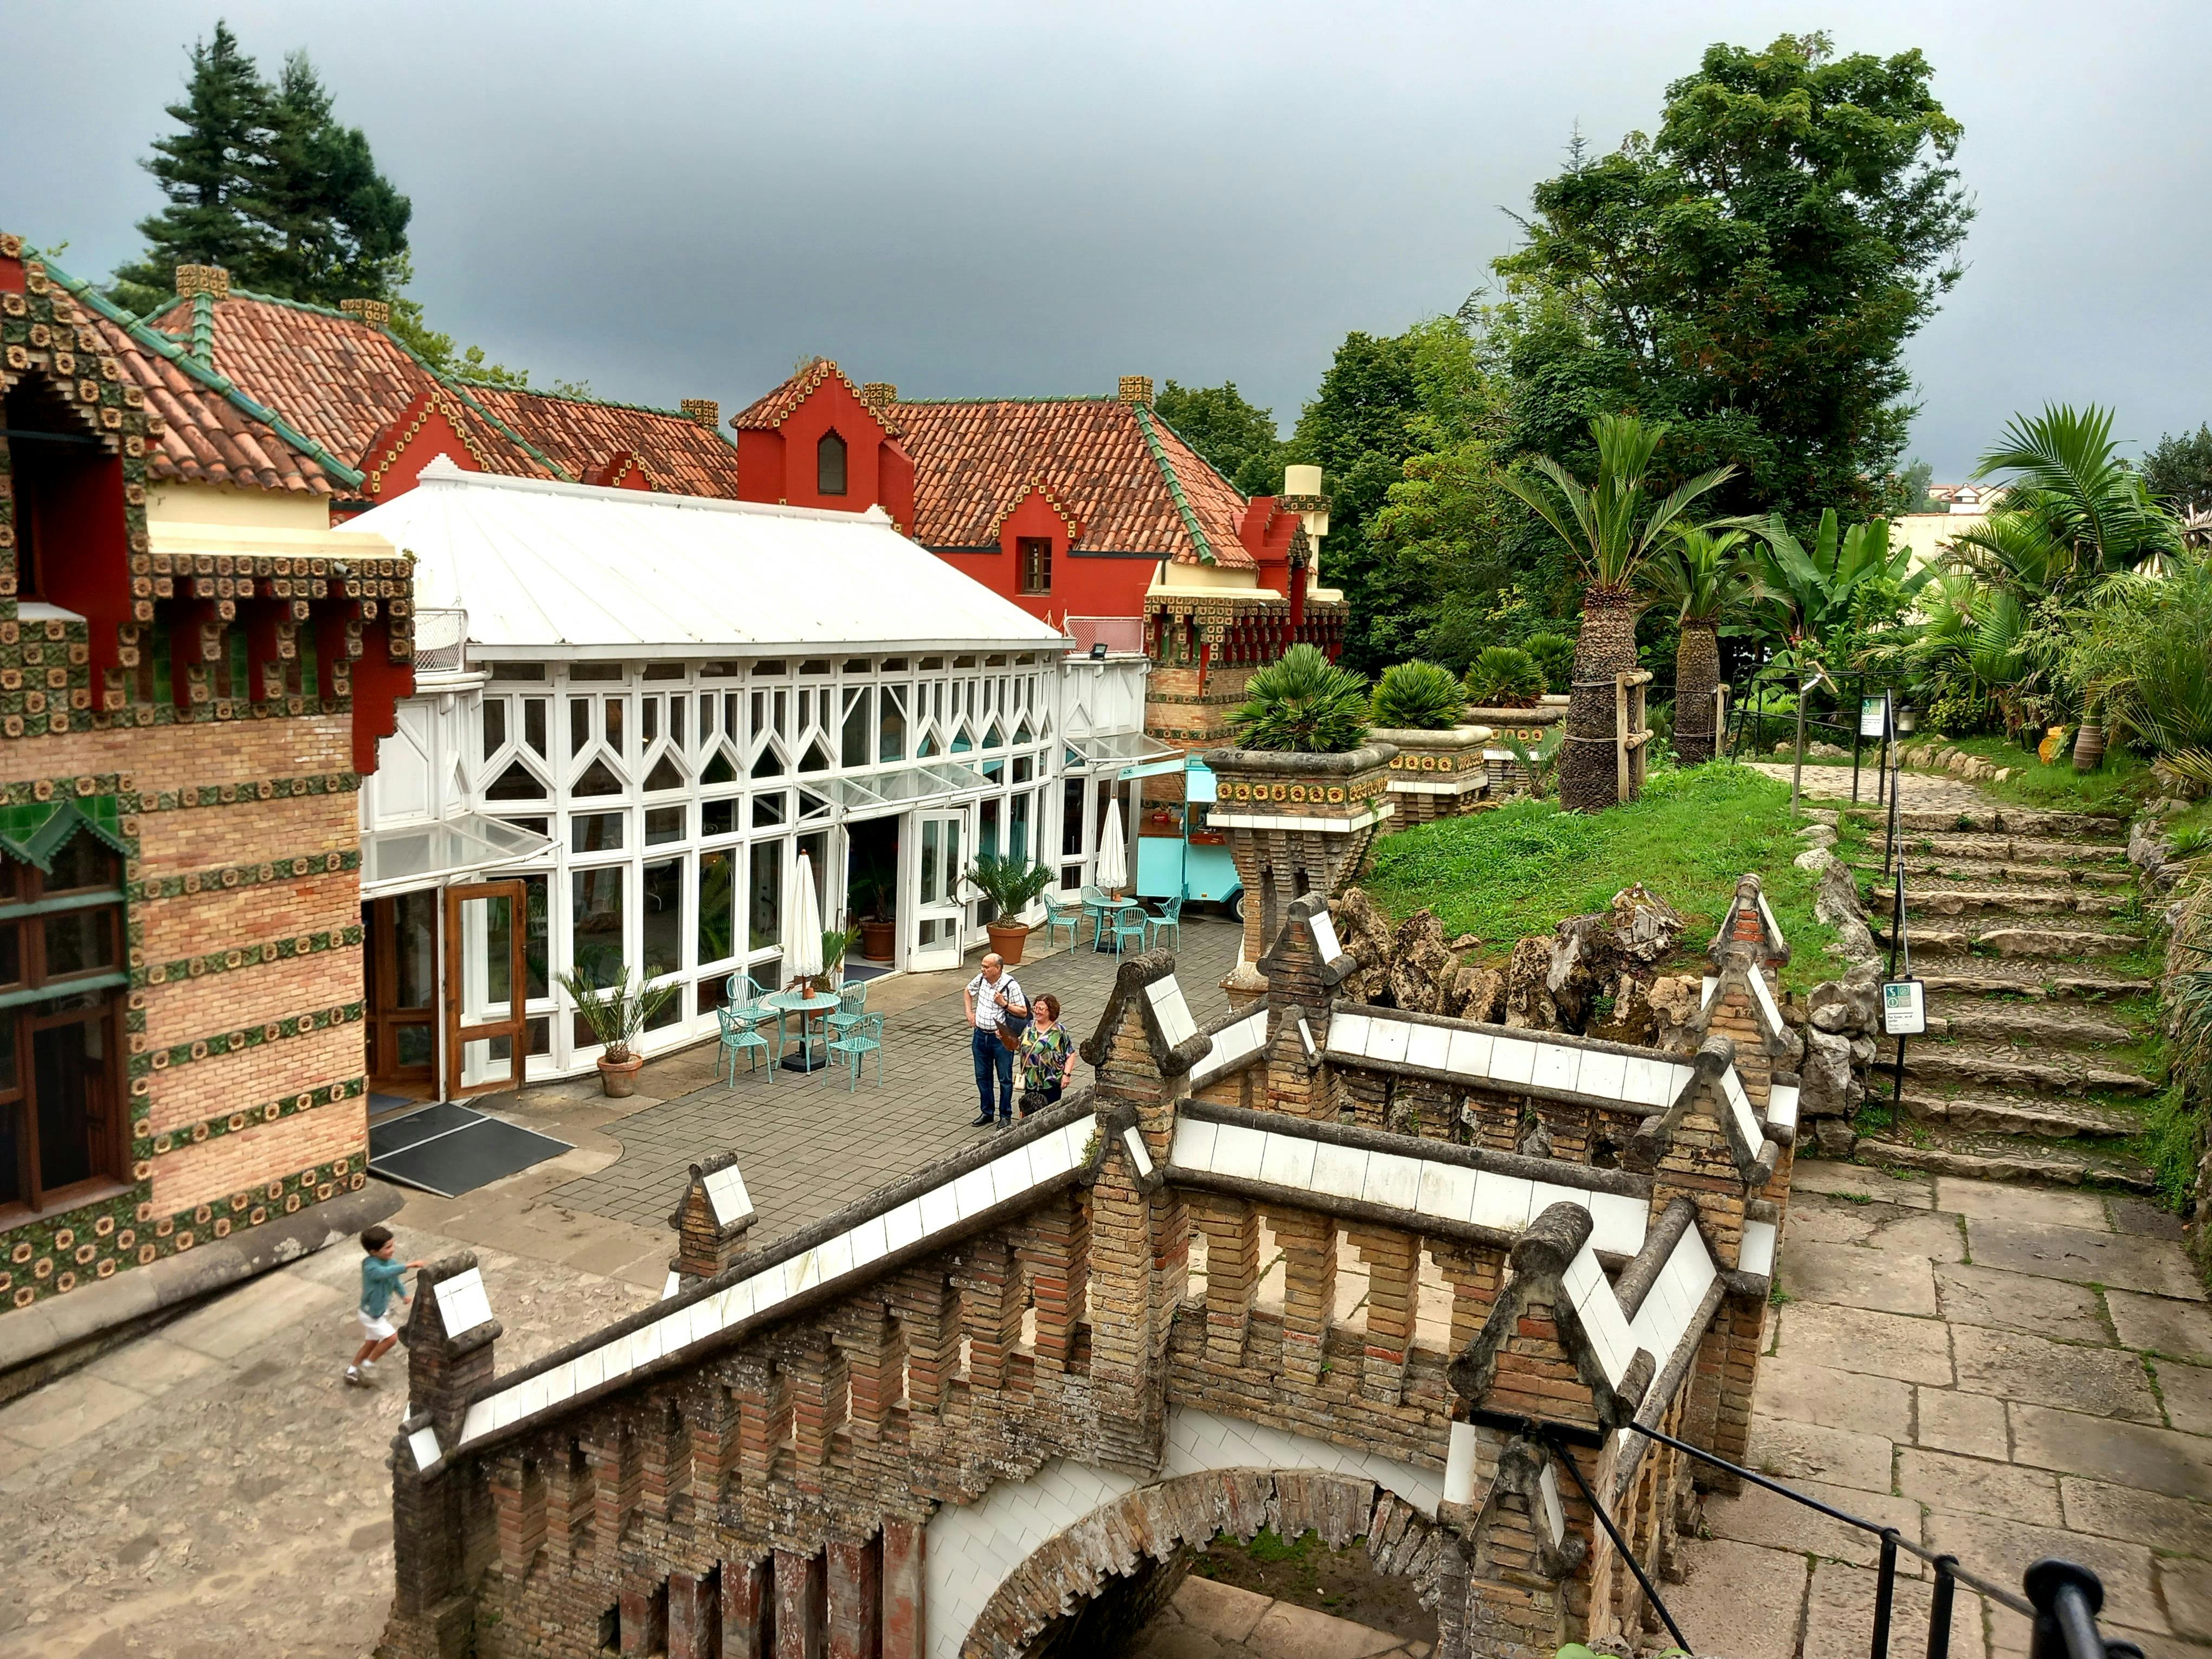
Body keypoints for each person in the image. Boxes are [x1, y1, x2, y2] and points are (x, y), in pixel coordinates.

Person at [347, 1224, 427, 1387]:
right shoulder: (369, 1267)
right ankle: (368, 1365)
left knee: (371, 1343)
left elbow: (395, 1281)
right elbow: (383, 1273)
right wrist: (408, 1266)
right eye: (387, 1248)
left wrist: (404, 1295)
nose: (392, 1250)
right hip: (370, 1314)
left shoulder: (391, 1262)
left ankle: (351, 1370)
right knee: (391, 1338)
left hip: (379, 1312)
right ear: (373, 1252)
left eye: (392, 1246)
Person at [963, 951, 1027, 1127]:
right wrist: (969, 1012)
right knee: (982, 1076)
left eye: (986, 967)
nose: (982, 969)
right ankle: (987, 1112)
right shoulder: (982, 979)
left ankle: (1005, 1115)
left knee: (1004, 1078)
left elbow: (1023, 1012)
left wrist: (1004, 1004)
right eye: (982, 966)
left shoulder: (1011, 985)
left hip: (1000, 1039)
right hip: (980, 1036)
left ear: (998, 968)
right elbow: (968, 991)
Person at [1016, 993, 1076, 1115]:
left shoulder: (1059, 1031)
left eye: (1041, 1009)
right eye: (1035, 1008)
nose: (1037, 1012)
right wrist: (1006, 1040)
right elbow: (1021, 1047)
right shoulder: (1029, 1026)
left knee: (1050, 1115)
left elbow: (1070, 1053)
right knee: (1030, 1113)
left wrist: (1067, 1075)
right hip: (1031, 1081)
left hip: (1051, 1082)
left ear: (1051, 1011)